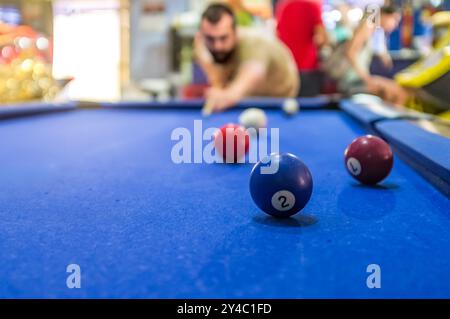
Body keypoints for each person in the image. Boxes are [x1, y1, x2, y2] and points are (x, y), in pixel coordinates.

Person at [194, 3, 299, 114]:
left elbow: (253, 73)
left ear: (236, 32)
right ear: (201, 35)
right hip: (245, 101)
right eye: (210, 39)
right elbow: (217, 78)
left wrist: (229, 95)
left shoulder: (254, 42)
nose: (217, 46)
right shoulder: (201, 46)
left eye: (223, 38)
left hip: (280, 99)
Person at [324, 5, 410, 105]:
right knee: (399, 93)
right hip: (351, 80)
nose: (395, 25)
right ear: (385, 16)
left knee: (393, 94)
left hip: (356, 78)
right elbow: (349, 52)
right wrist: (367, 79)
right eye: (395, 20)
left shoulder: (372, 29)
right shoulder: (366, 26)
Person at [275, 0, 329, 96]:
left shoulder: (283, 6)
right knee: (310, 107)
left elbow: (277, 35)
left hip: (288, 67)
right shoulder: (312, 6)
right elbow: (321, 39)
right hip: (308, 68)